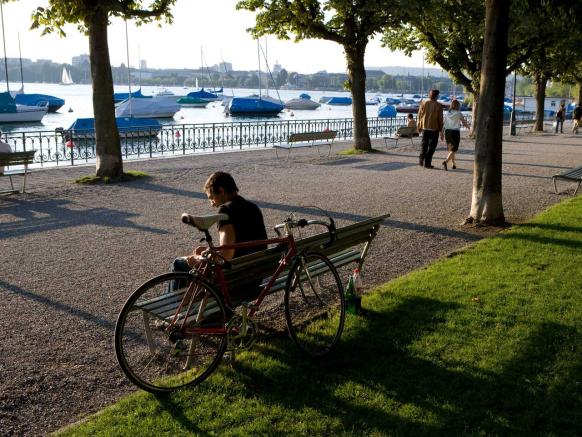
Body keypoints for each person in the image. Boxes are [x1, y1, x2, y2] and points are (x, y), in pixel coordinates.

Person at [172, 171, 268, 298]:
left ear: (221, 191)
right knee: (199, 258)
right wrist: (208, 251)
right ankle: (192, 306)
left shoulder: (226, 211)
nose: (212, 204)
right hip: (254, 276)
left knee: (178, 263)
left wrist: (199, 259)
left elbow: (226, 255)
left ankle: (174, 309)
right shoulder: (253, 208)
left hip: (234, 281)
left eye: (212, 198)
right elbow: (242, 245)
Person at [417, 89, 444, 168]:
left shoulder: (423, 103)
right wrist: (441, 131)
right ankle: (427, 163)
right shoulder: (439, 105)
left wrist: (418, 126)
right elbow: (440, 119)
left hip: (425, 127)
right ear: (437, 96)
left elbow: (419, 115)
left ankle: (421, 160)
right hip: (434, 128)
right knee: (432, 146)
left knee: (424, 145)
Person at [442, 100, 469, 171]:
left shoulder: (447, 113)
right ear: (458, 106)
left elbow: (444, 124)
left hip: (447, 132)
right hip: (455, 133)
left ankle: (453, 164)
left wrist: (441, 133)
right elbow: (464, 123)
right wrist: (469, 128)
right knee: (454, 150)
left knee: (451, 149)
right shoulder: (459, 113)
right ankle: (446, 162)